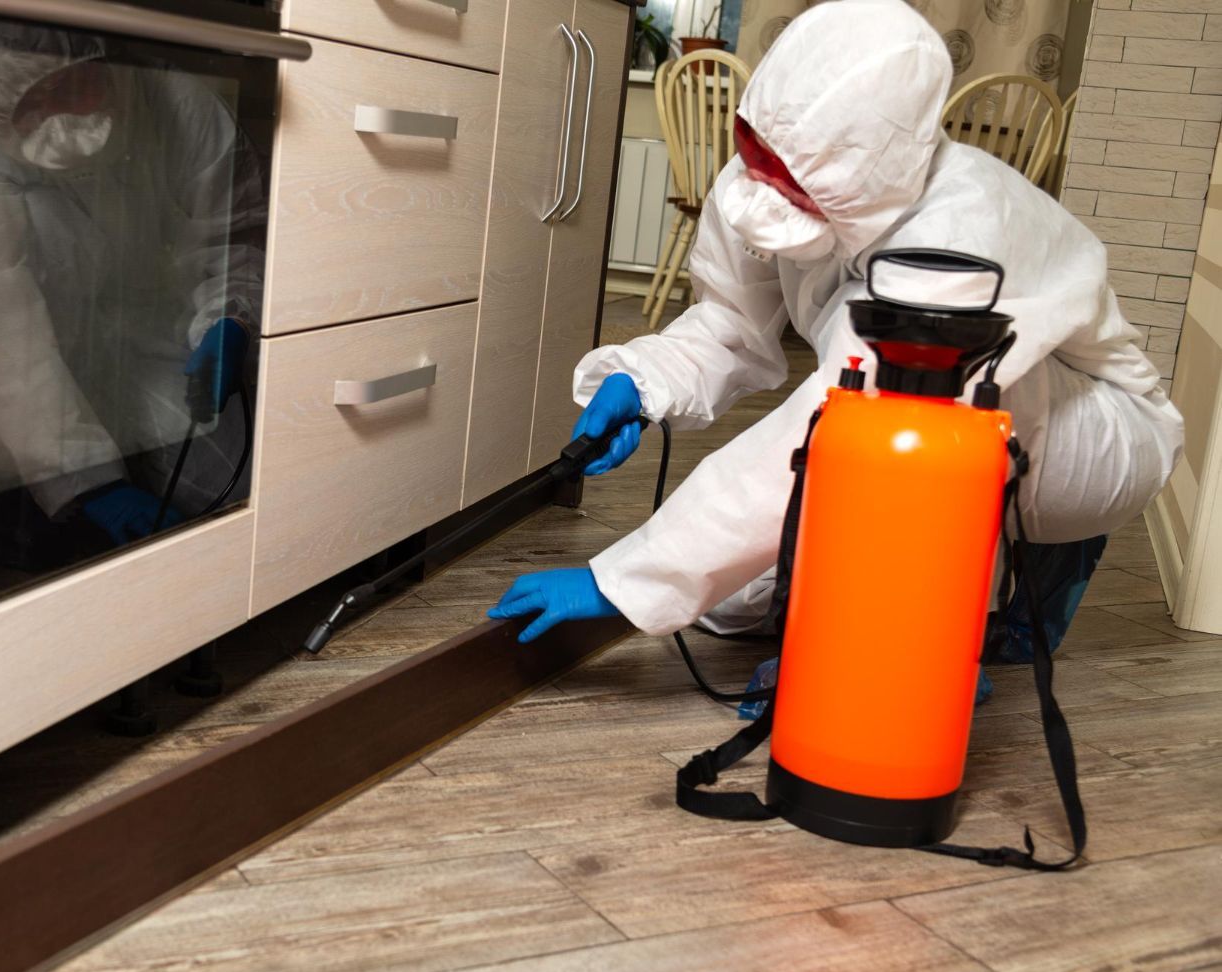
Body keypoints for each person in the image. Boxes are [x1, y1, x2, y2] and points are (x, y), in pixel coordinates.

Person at [488, 0, 1183, 699]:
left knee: (919, 415)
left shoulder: (958, 232)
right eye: (761, 160)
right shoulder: (775, 162)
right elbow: (731, 319)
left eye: (793, 185)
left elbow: (834, 429)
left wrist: (623, 578)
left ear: (869, 165)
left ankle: (916, 660)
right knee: (734, 607)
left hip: (1097, 431)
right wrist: (643, 381)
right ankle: (918, 611)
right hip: (941, 418)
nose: (766, 189)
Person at [0, 18, 265, 547]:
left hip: (153, 332)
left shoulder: (180, 108)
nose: (61, 116)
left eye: (72, 85)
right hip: (34, 351)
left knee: (245, 486)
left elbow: (233, 235)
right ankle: (33, 497)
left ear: (102, 59)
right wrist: (84, 480)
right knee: (34, 508)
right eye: (35, 99)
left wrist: (230, 315)